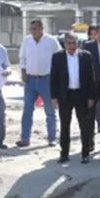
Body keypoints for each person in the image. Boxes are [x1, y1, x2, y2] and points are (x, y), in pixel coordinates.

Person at [50, 33, 96, 163]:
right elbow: (54, 78)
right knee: (65, 125)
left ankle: (85, 153)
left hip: (81, 94)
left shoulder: (85, 56)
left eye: (74, 43)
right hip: (65, 95)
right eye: (68, 43)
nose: (71, 46)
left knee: (84, 125)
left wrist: (91, 97)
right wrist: (53, 97)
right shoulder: (57, 57)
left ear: (78, 43)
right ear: (64, 44)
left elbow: (90, 78)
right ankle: (64, 154)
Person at [17, 19, 61, 148]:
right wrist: (23, 71)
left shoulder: (51, 41)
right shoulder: (27, 40)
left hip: (46, 80)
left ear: (42, 28)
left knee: (50, 110)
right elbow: (22, 58)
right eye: (31, 29)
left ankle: (52, 138)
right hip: (30, 80)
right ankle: (25, 138)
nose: (33, 31)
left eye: (35, 29)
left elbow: (59, 58)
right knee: (27, 110)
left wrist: (56, 76)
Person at [82, 23, 100, 152]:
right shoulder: (88, 46)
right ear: (95, 34)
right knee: (90, 115)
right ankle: (89, 143)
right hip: (91, 86)